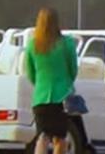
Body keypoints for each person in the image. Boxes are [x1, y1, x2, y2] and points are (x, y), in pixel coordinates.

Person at [25, 8, 78, 154]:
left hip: (40, 98)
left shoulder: (32, 45)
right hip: (62, 97)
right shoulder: (67, 43)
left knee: (42, 136)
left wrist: (41, 84)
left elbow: (30, 72)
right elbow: (73, 70)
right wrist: (66, 83)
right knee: (60, 138)